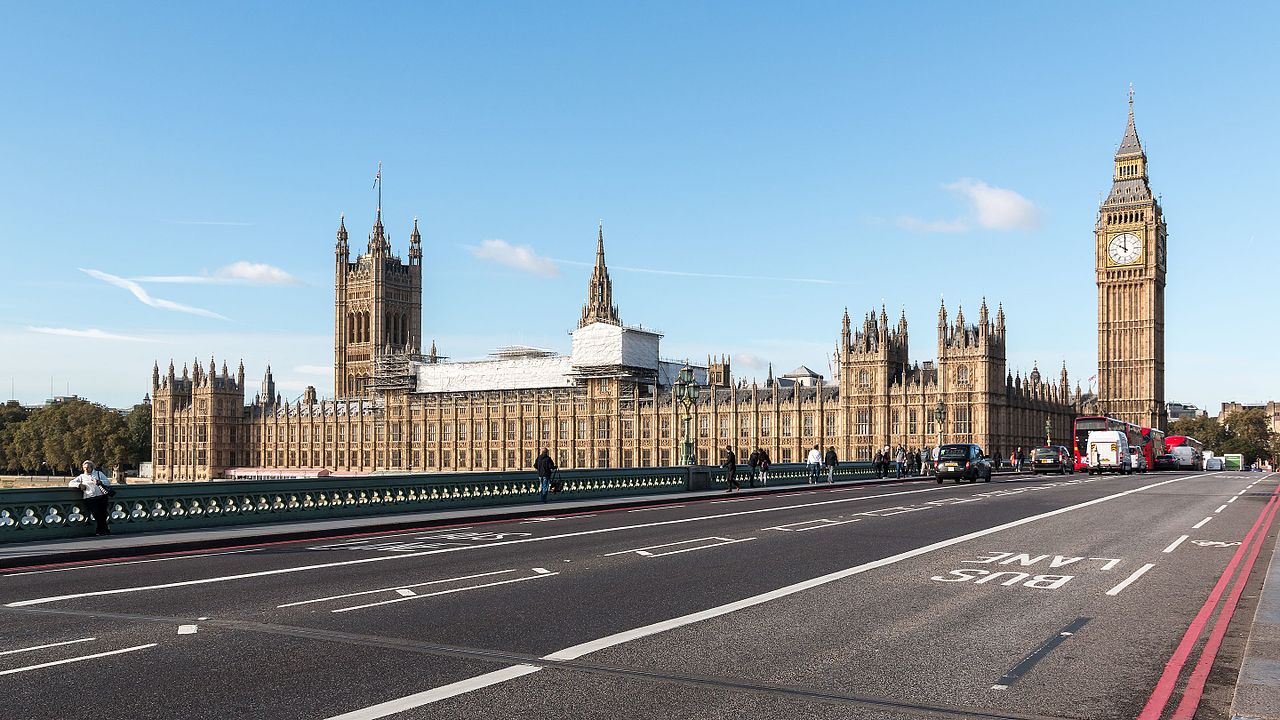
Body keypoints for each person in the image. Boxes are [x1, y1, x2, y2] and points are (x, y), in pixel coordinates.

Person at [69, 460, 112, 536]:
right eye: (84, 467)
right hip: (90, 497)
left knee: (103, 514)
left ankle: (100, 531)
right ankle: (105, 529)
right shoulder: (81, 477)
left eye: (88, 467)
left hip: (101, 496)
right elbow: (70, 483)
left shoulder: (98, 473)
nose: (86, 469)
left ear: (92, 467)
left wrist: (100, 482)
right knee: (96, 514)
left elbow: (108, 482)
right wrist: (79, 485)